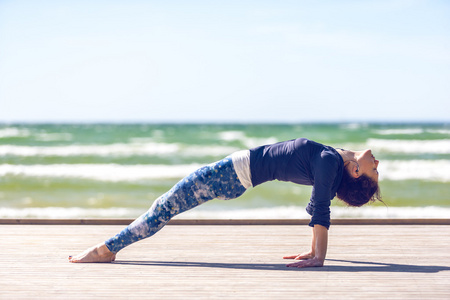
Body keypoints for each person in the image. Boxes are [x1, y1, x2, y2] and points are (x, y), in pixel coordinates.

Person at [69, 137, 381, 268]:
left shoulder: (330, 162)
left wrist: (319, 257)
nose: (377, 162)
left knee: (163, 207)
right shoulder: (333, 162)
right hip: (235, 175)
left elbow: (321, 212)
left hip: (231, 175)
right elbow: (318, 203)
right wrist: (313, 250)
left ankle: (106, 250)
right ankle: (109, 248)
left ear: (356, 173)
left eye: (374, 170)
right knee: (165, 207)